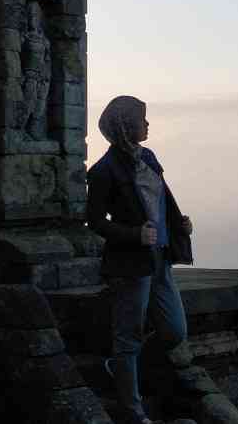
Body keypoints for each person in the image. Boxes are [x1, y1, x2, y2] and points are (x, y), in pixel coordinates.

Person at [86, 95, 194, 424]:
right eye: (141, 119)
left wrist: (179, 224)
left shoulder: (148, 157)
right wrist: (134, 235)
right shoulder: (104, 171)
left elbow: (162, 197)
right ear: (124, 125)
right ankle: (132, 411)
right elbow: (94, 221)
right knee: (128, 337)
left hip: (160, 260)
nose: (147, 124)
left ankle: (119, 367)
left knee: (175, 332)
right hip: (131, 265)